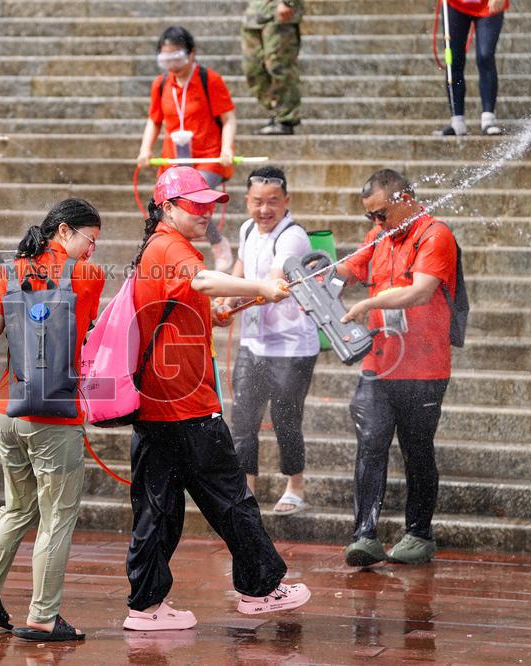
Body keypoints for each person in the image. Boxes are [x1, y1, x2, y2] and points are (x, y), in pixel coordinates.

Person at [124, 166, 310, 632]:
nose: (206, 213)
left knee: (158, 510)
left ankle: (145, 607)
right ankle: (261, 589)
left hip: (157, 404)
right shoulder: (171, 245)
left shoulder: (157, 246)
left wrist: (216, 312)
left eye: (209, 205)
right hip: (186, 405)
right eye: (195, 205)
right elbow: (204, 282)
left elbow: (190, 299)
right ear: (167, 208)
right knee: (231, 499)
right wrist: (261, 287)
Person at [0, 199, 105, 642]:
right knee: (56, 517)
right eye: (89, 240)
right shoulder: (89, 277)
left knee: (16, 507)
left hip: (7, 411)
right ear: (65, 231)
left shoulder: (8, 271)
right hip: (55, 415)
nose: (91, 251)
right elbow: (87, 330)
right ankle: (43, 617)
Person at [337, 169, 459, 567]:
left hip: (424, 368)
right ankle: (364, 536)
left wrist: (368, 305)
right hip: (380, 362)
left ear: (405, 198)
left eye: (381, 213)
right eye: (370, 215)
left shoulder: (434, 234)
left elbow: (421, 290)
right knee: (370, 443)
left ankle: (419, 533)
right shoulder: (379, 235)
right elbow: (345, 270)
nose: (375, 222)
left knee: (417, 449)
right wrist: (296, 274)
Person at [224, 166, 318, 515]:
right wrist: (225, 298)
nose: (265, 210)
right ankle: (247, 488)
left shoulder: (292, 236)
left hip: (292, 345)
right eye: (257, 202)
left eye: (273, 203)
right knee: (244, 418)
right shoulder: (248, 227)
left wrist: (233, 297)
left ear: (286, 202)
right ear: (247, 201)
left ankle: (295, 485)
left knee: (285, 417)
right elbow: (240, 266)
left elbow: (275, 283)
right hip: (254, 341)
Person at [136, 26, 237, 272]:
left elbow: (228, 118)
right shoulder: (160, 84)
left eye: (177, 57)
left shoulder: (208, 79)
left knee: (194, 197)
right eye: (166, 58)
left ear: (192, 54)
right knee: (163, 206)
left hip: (208, 156)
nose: (172, 64)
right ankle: (164, 249)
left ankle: (217, 243)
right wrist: (145, 149)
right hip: (174, 159)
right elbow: (154, 120)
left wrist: (226, 148)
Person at [437, 0, 508, 136]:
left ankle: (488, 119)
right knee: (453, 59)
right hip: (455, 4)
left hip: (488, 6)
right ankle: (457, 121)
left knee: (485, 56)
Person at [241, 0, 304, 135]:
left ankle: (285, 118)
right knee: (253, 68)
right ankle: (276, 110)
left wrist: (289, 3)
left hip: (278, 13)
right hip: (254, 14)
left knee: (278, 66)